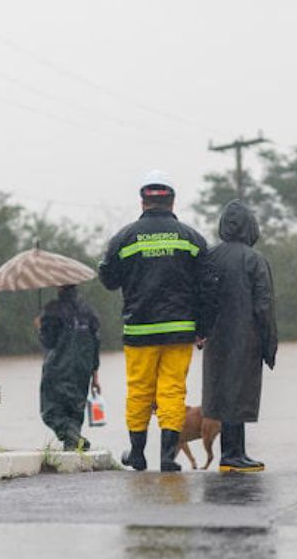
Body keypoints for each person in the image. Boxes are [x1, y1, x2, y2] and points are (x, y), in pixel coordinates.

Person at [99, 170, 212, 472]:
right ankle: (167, 458)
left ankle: (137, 455)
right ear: (172, 202)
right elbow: (207, 287)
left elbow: (108, 279)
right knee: (173, 391)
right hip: (180, 330)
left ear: (143, 201)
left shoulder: (124, 238)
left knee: (139, 391)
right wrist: (203, 328)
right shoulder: (191, 238)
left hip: (139, 330)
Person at [202, 200, 278, 472]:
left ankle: (233, 453)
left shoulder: (209, 257)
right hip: (246, 339)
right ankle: (233, 454)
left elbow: (202, 299)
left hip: (216, 339)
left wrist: (201, 332)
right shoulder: (254, 260)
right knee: (238, 395)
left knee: (223, 395)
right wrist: (270, 345)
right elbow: (264, 306)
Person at [37, 284, 101, 451]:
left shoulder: (52, 310)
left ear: (59, 287)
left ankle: (74, 438)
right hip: (83, 371)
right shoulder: (88, 311)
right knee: (74, 413)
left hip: (58, 368)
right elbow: (96, 343)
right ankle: (73, 449)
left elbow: (48, 341)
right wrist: (95, 375)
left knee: (50, 411)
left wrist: (40, 326)